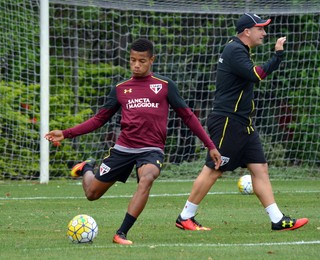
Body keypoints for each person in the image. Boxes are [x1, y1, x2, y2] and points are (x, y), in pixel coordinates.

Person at [45, 38, 222, 245]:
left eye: (141, 61)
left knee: (147, 178)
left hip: (151, 150)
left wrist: (210, 145)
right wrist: (66, 133)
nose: (136, 65)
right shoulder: (121, 88)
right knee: (91, 194)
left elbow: (188, 116)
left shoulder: (164, 86)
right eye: (132, 60)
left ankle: (121, 233)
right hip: (123, 149)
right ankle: (86, 168)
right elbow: (99, 119)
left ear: (151, 60)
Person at [175, 13, 309, 231]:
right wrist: (277, 55)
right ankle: (185, 216)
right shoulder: (235, 50)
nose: (264, 33)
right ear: (247, 31)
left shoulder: (239, 49)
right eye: (260, 29)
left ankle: (277, 219)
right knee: (214, 168)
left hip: (242, 123)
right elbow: (257, 74)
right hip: (228, 121)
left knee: (260, 168)